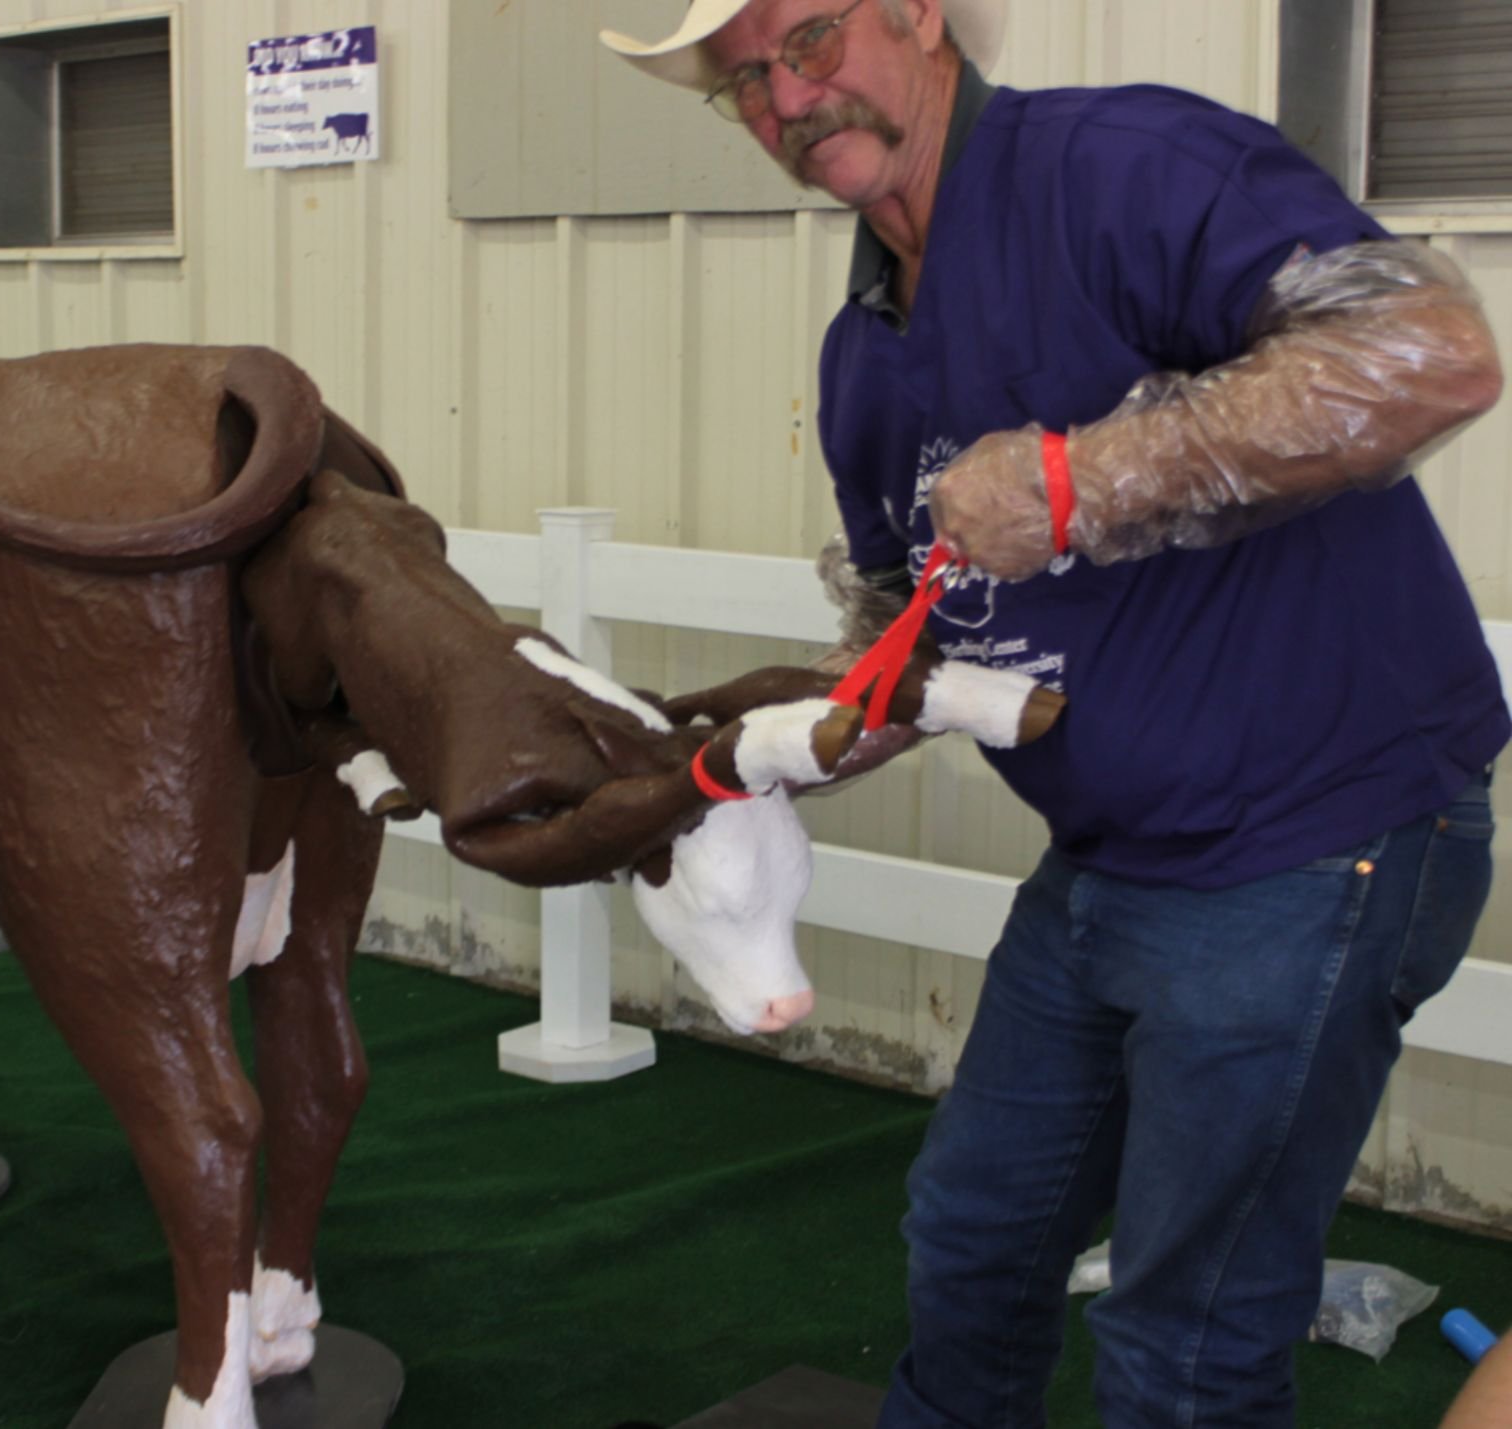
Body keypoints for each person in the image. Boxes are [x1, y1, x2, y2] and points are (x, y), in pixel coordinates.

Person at [602, 3, 1507, 1425]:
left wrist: (1087, 480)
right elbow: (906, 635)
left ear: (916, 13)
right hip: (1110, 857)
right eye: (745, 83)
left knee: (1181, 1336)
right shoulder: (864, 353)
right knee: (972, 1239)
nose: (789, 96)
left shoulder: (1119, 168)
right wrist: (756, 752)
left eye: (813, 38)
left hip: (1317, 832)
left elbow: (1431, 352)